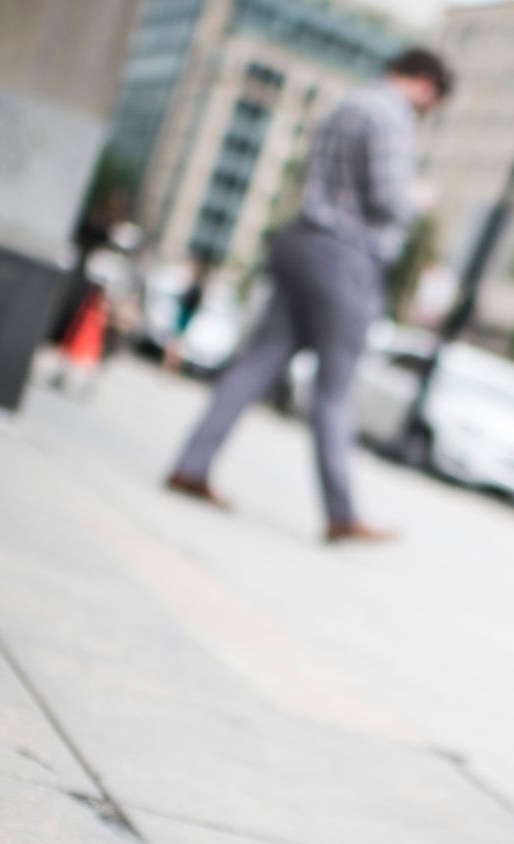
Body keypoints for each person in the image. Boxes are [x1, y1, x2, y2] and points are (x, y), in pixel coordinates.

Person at [165, 49, 453, 542]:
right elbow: (387, 199)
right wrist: (419, 198)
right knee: (335, 386)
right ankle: (342, 513)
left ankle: (191, 465)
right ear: (425, 85)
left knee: (258, 362)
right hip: (346, 255)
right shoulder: (391, 116)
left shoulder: (348, 104)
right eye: (434, 103)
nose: (427, 112)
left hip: (302, 240)